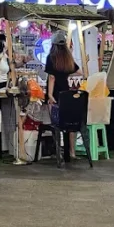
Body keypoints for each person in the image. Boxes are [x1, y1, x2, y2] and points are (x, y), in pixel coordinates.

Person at [44, 31, 80, 161]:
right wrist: (66, 74)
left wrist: (49, 94)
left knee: (56, 124)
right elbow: (79, 72)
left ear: (53, 44)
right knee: (69, 124)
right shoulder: (68, 58)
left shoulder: (51, 57)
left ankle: (58, 151)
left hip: (55, 94)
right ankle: (72, 152)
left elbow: (52, 77)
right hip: (67, 94)